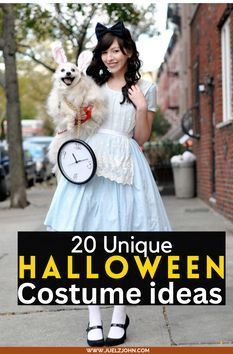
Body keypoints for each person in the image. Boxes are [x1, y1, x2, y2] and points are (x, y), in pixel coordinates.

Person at [44, 21, 171, 346]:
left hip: (125, 164)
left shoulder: (144, 87)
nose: (111, 56)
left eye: (116, 50)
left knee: (121, 243)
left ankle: (118, 314)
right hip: (89, 163)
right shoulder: (91, 82)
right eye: (105, 50)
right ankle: (93, 318)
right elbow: (69, 113)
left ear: (128, 51)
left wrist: (142, 107)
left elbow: (141, 137)